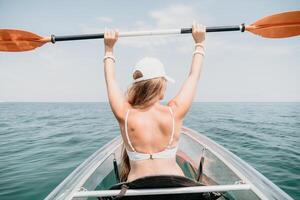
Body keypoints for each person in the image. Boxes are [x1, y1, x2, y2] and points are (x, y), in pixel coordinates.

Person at [103, 22, 205, 182]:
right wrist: (199, 43)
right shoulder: (174, 112)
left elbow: (110, 80)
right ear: (161, 85)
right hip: (177, 189)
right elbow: (193, 76)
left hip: (137, 192)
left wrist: (109, 48)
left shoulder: (125, 114)